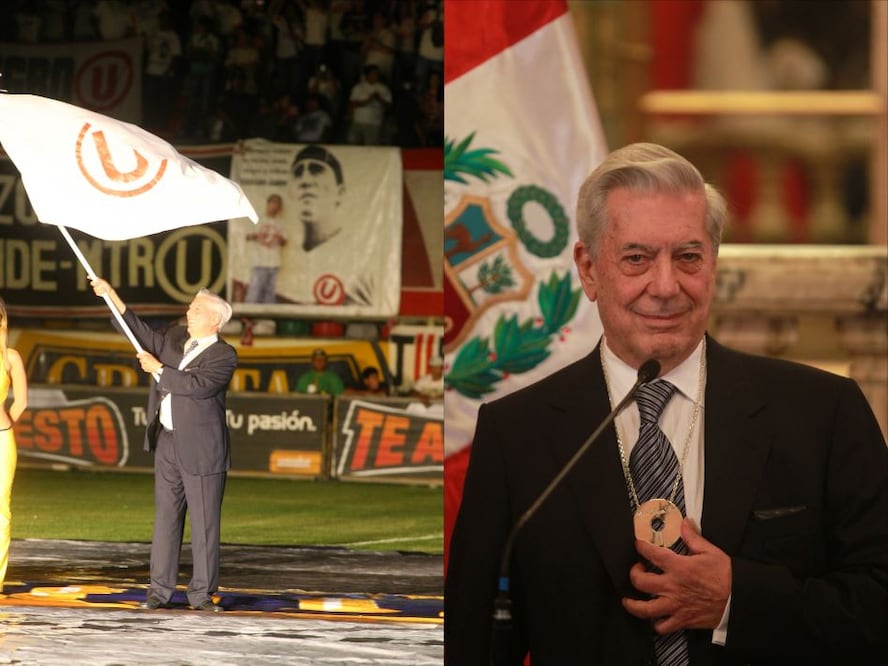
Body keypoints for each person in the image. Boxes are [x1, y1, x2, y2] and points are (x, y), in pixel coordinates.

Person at [445, 143, 888, 664]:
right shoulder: (515, 433)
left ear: (713, 264)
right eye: (636, 258)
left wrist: (735, 600)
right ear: (588, 269)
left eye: (688, 258)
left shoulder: (823, 412)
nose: (666, 286)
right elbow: (474, 640)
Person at [90, 277, 237, 613]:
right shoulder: (173, 339)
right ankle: (159, 591)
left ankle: (201, 595)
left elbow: (197, 386)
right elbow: (138, 331)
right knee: (166, 520)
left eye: (196, 309)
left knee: (204, 525)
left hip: (202, 450)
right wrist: (111, 295)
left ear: (214, 319)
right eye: (190, 306)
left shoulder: (224, 355)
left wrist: (158, 370)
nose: (189, 311)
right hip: (167, 443)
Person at [0, 297, 27, 591]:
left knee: (0, 510)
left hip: (1, 439)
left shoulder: (10, 357)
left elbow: (21, 402)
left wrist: (7, 423)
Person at [244, 193, 288, 303]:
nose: (275, 207)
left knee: (270, 292)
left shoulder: (280, 223)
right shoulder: (257, 219)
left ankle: (268, 317)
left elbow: (285, 241)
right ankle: (248, 316)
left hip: (274, 262)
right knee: (255, 291)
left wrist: (279, 238)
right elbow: (247, 236)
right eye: (273, 203)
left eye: (277, 204)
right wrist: (257, 235)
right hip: (259, 262)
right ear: (268, 204)